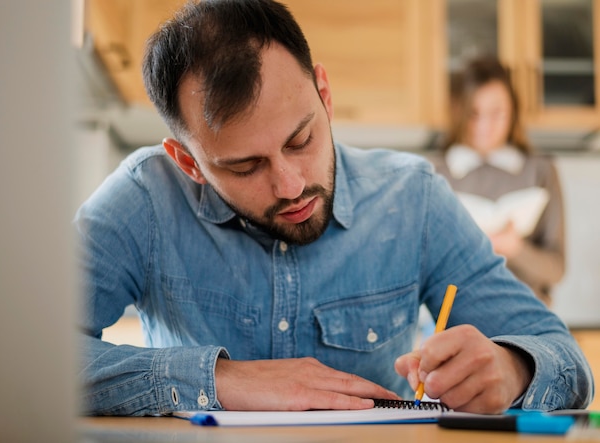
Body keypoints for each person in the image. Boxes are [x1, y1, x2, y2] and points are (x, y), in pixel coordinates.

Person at [75, 0, 593, 416]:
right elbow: (20, 356)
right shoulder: (143, 199)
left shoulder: (412, 198)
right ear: (189, 162)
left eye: (301, 139)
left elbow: (567, 362)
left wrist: (513, 369)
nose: (291, 184)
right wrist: (222, 380)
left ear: (324, 94)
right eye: (244, 167)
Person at [429, 56, 565, 306]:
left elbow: (556, 269)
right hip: (455, 316)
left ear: (513, 110)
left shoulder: (540, 170)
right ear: (459, 111)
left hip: (526, 315)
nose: (484, 126)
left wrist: (515, 248)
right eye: (474, 113)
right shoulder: (435, 172)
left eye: (496, 113)